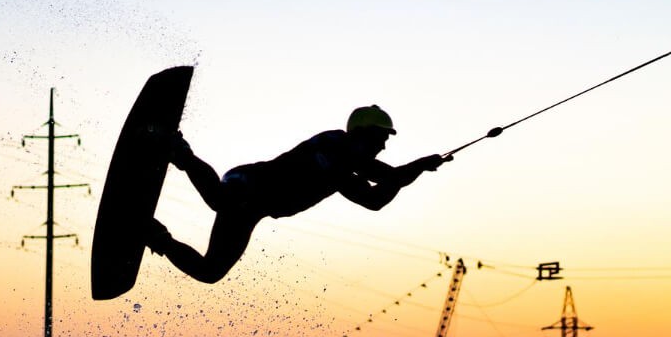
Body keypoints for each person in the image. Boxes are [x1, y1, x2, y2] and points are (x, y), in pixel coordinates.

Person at [145, 105, 447, 283]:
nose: (383, 146)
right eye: (380, 139)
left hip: (251, 210)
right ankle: (179, 151)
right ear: (362, 133)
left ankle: (155, 237)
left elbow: (375, 199)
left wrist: (417, 168)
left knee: (210, 272)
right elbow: (383, 179)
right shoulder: (333, 145)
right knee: (219, 199)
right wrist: (418, 166)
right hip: (247, 181)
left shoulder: (347, 167)